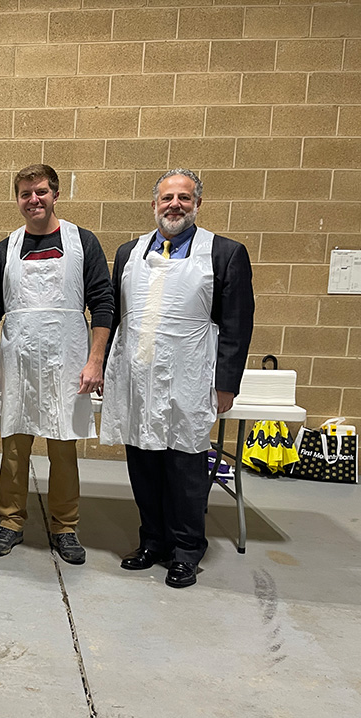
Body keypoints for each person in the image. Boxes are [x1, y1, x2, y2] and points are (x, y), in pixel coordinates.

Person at [101, 168, 254, 589]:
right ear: (154, 205)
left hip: (188, 378)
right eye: (167, 198)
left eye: (184, 198)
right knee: (143, 464)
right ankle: (152, 541)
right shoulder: (128, 253)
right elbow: (115, 317)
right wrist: (104, 369)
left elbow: (238, 325)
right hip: (137, 378)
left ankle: (186, 552)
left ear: (197, 205)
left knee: (185, 468)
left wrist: (226, 383)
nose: (175, 205)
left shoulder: (223, 253)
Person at [0, 165, 113, 565]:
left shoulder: (82, 242)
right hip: (17, 361)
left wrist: (96, 360)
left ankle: (65, 527)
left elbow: (103, 302)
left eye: (40, 192)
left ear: (55, 194)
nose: (33, 199)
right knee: (14, 448)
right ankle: (10, 522)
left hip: (68, 361)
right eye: (24, 194)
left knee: (63, 447)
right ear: (17, 200)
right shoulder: (6, 248)